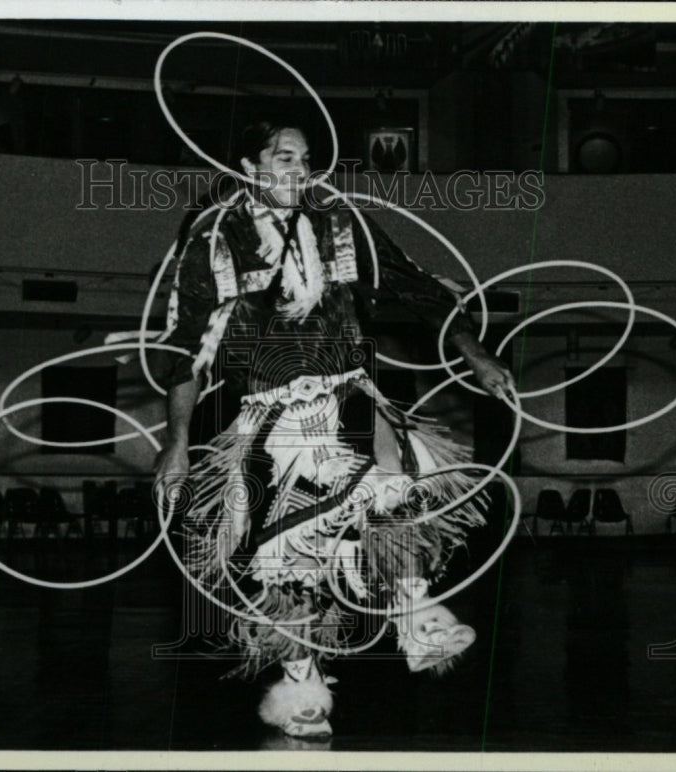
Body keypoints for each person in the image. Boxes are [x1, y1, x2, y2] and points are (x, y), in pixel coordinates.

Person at [153, 120, 514, 740]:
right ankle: (301, 684)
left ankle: (416, 620)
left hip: (349, 388)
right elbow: (188, 347)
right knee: (282, 559)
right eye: (283, 155)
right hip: (269, 410)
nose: (299, 167)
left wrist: (474, 352)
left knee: (394, 489)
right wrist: (177, 441)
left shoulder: (341, 221)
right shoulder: (214, 237)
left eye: (307, 157)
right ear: (250, 163)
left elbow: (418, 287)